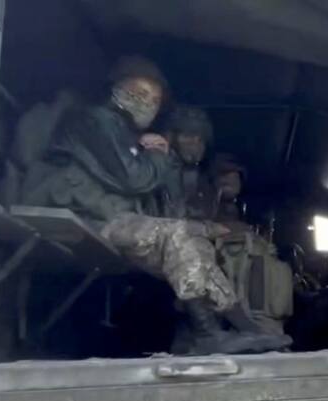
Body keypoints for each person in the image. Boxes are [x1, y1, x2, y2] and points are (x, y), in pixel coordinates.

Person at [21, 55, 286, 355]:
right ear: (117, 89)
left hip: (105, 217)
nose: (146, 102)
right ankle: (212, 333)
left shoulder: (122, 132)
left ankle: (243, 328)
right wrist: (158, 154)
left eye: (154, 99)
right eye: (138, 92)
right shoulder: (95, 120)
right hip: (85, 215)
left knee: (190, 238)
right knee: (179, 235)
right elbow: (134, 179)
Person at [160, 104, 217, 219]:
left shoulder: (200, 175)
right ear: (169, 137)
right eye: (188, 135)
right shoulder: (156, 168)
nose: (195, 143)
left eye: (201, 138)